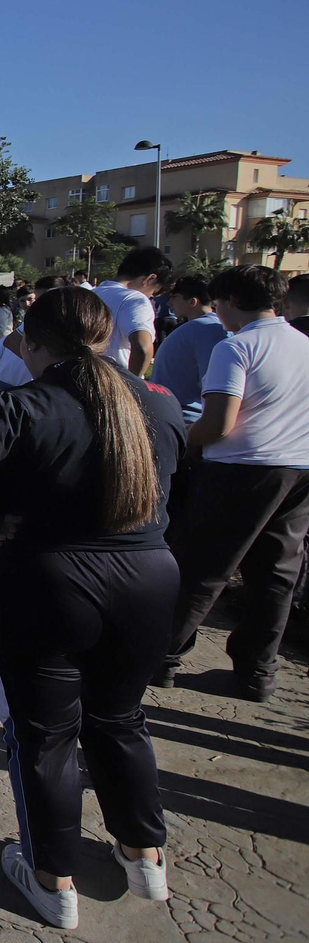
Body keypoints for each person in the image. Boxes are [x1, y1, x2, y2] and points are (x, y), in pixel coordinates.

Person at [0, 287, 185, 931]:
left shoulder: (26, 403)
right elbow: (187, 483)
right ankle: (145, 853)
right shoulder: (159, 402)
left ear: (32, 343)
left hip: (49, 579)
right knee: (121, 718)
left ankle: (50, 876)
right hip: (148, 576)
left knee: (46, 736)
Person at [159, 265, 309, 702]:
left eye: (218, 302)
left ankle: (161, 657)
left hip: (242, 469)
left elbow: (219, 423)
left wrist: (183, 441)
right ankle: (257, 672)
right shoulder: (302, 343)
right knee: (276, 575)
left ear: (230, 301)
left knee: (204, 568)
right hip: (298, 468)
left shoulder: (237, 347)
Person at [148, 276, 228, 422]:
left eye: (175, 297)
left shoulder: (209, 330)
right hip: (180, 416)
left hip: (183, 418)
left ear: (193, 301)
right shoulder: (204, 328)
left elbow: (212, 383)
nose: (169, 302)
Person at [93, 248, 173, 376]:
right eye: (154, 291)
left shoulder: (88, 294)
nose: (150, 296)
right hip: (114, 382)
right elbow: (142, 348)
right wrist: (133, 386)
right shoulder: (135, 299)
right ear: (150, 279)